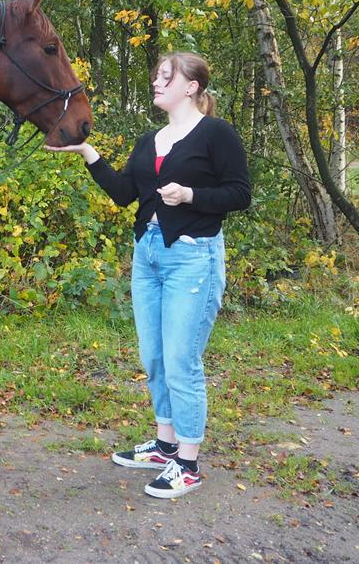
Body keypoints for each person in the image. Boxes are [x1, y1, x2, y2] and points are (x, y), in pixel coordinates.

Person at [46, 51, 251, 498]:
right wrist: (88, 153)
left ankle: (189, 465)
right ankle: (164, 446)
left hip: (192, 257)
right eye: (157, 76)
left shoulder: (216, 134)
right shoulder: (149, 139)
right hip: (149, 255)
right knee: (154, 357)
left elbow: (240, 194)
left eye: (165, 77)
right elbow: (123, 194)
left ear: (191, 87)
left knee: (181, 361)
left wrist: (191, 194)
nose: (156, 83)